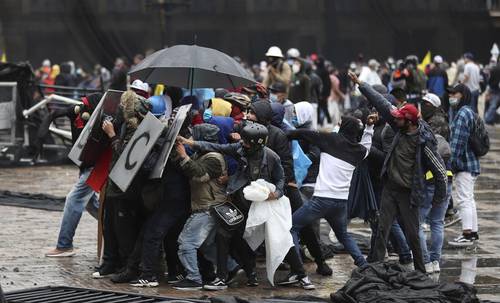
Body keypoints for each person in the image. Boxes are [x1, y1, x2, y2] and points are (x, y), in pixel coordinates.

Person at [351, 71, 448, 274]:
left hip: (408, 194)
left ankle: (421, 271)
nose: (394, 120)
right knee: (381, 231)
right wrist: (361, 84)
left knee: (413, 235)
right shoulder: (399, 127)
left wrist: (439, 200)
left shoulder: (424, 142)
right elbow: (382, 104)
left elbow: (440, 171)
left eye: (399, 119)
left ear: (410, 122)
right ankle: (374, 272)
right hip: (390, 189)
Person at [178, 123, 288, 288]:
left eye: (246, 142)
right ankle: (225, 277)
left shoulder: (271, 157)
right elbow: (219, 147)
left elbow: (281, 179)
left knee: (257, 241)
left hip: (259, 207)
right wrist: (191, 143)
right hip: (238, 203)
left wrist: (276, 194)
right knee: (227, 239)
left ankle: (296, 274)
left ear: (257, 144)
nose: (242, 143)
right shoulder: (240, 149)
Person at [281, 114, 376, 281]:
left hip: (321, 200)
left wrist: (287, 135)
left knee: (293, 228)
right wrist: (369, 129)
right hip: (340, 203)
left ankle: (297, 270)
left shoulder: (330, 140)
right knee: (343, 235)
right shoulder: (358, 151)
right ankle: (363, 265)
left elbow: (306, 133)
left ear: (343, 127)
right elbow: (367, 146)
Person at [44, 93, 103, 258]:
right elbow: (55, 113)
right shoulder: (76, 111)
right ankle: (116, 230)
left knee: (74, 199)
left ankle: (64, 245)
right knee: (91, 204)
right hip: (86, 166)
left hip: (96, 167)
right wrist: (42, 133)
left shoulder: (103, 120)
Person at [173, 124, 228, 290]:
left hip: (208, 208)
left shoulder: (214, 158)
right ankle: (231, 268)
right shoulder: (202, 154)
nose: (190, 140)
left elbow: (200, 175)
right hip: (205, 206)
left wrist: (184, 156)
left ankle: (194, 278)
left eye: (193, 136)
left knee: (186, 242)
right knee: (207, 245)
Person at [419, 93, 452, 273]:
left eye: (425, 104)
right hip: (446, 176)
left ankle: (427, 261)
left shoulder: (436, 123)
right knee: (437, 223)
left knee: (419, 222)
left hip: (433, 177)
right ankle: (435, 260)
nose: (422, 107)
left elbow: (431, 152)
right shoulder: (439, 119)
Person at [447, 84, 480, 247]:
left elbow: (457, 143)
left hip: (464, 164)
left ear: (463, 95)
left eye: (455, 93)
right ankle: (473, 232)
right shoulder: (470, 111)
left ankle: (466, 234)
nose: (451, 96)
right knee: (469, 199)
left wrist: (452, 164)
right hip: (472, 163)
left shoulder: (462, 114)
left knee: (463, 200)